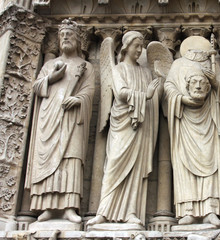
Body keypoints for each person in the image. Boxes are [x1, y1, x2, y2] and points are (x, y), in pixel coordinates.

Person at [87, 31, 160, 226]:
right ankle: (103, 212)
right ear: (126, 47)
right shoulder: (118, 69)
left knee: (135, 169)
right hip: (121, 123)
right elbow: (120, 93)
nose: (140, 50)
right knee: (113, 165)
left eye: (141, 46)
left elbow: (152, 103)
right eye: (137, 45)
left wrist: (156, 92)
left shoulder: (145, 72)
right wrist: (147, 95)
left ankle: (130, 211)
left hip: (140, 126)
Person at [25, 19, 95, 223]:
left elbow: (90, 91)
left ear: (78, 40)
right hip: (48, 117)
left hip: (72, 119)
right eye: (62, 35)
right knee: (47, 159)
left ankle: (68, 207)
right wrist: (52, 78)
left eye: (70, 35)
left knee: (71, 158)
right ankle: (46, 206)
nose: (65, 38)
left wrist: (78, 99)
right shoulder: (48, 65)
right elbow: (37, 87)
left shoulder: (86, 66)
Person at [164, 42, 220, 227]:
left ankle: (210, 209)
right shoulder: (178, 64)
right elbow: (168, 87)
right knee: (184, 163)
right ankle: (187, 210)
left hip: (208, 118)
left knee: (210, 162)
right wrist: (182, 99)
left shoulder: (212, 63)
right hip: (184, 119)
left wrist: (215, 83)